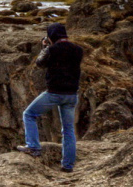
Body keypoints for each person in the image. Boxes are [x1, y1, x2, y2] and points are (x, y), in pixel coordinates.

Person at [17, 22, 84, 172]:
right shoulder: (78, 50)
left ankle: (33, 147)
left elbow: (40, 63)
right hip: (72, 95)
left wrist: (45, 47)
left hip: (54, 93)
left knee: (29, 114)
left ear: (51, 35)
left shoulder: (52, 50)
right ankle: (68, 166)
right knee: (68, 130)